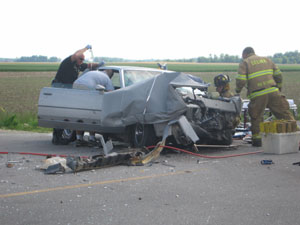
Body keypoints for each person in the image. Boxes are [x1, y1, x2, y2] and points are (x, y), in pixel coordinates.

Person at [235, 47, 295, 147]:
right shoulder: (267, 60)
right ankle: (295, 134)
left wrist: (237, 91)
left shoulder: (245, 62)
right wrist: (278, 88)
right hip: (273, 91)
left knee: (256, 117)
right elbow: (278, 75)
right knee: (284, 114)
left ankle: (258, 141)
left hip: (258, 94)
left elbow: (241, 79)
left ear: (245, 54)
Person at [73, 69, 115, 147]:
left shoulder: (94, 73)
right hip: (87, 87)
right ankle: (92, 139)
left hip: (76, 84)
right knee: (91, 113)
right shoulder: (107, 78)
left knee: (80, 113)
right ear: (111, 75)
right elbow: (111, 93)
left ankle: (79, 139)